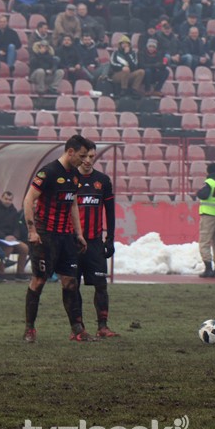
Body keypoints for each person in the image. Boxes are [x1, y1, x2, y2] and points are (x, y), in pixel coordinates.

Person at [22, 135, 93, 343]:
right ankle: (29, 329)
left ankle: (77, 330)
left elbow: (73, 205)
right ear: (70, 152)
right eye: (81, 156)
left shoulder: (75, 176)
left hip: (66, 237)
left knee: (70, 282)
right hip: (45, 237)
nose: (84, 160)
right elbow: (28, 200)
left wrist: (78, 233)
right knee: (38, 281)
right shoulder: (48, 172)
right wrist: (32, 230)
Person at [74, 142, 118, 337]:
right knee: (71, 286)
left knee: (101, 285)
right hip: (72, 243)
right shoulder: (69, 179)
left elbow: (110, 211)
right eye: (85, 156)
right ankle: (78, 328)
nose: (88, 160)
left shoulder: (103, 181)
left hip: (94, 243)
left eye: (92, 157)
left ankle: (102, 326)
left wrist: (110, 238)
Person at [0, 190, 29, 280]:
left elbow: (16, 226)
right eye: (6, 199)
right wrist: (4, 237)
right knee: (8, 248)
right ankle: (1, 273)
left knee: (25, 248)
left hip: (11, 238)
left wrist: (15, 236)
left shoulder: (13, 210)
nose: (8, 201)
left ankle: (20, 273)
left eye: (10, 200)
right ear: (1, 198)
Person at [197, 162, 215, 278]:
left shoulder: (209, 183)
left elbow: (203, 195)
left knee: (204, 242)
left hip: (209, 215)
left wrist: (198, 192)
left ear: (208, 171)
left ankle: (208, 268)